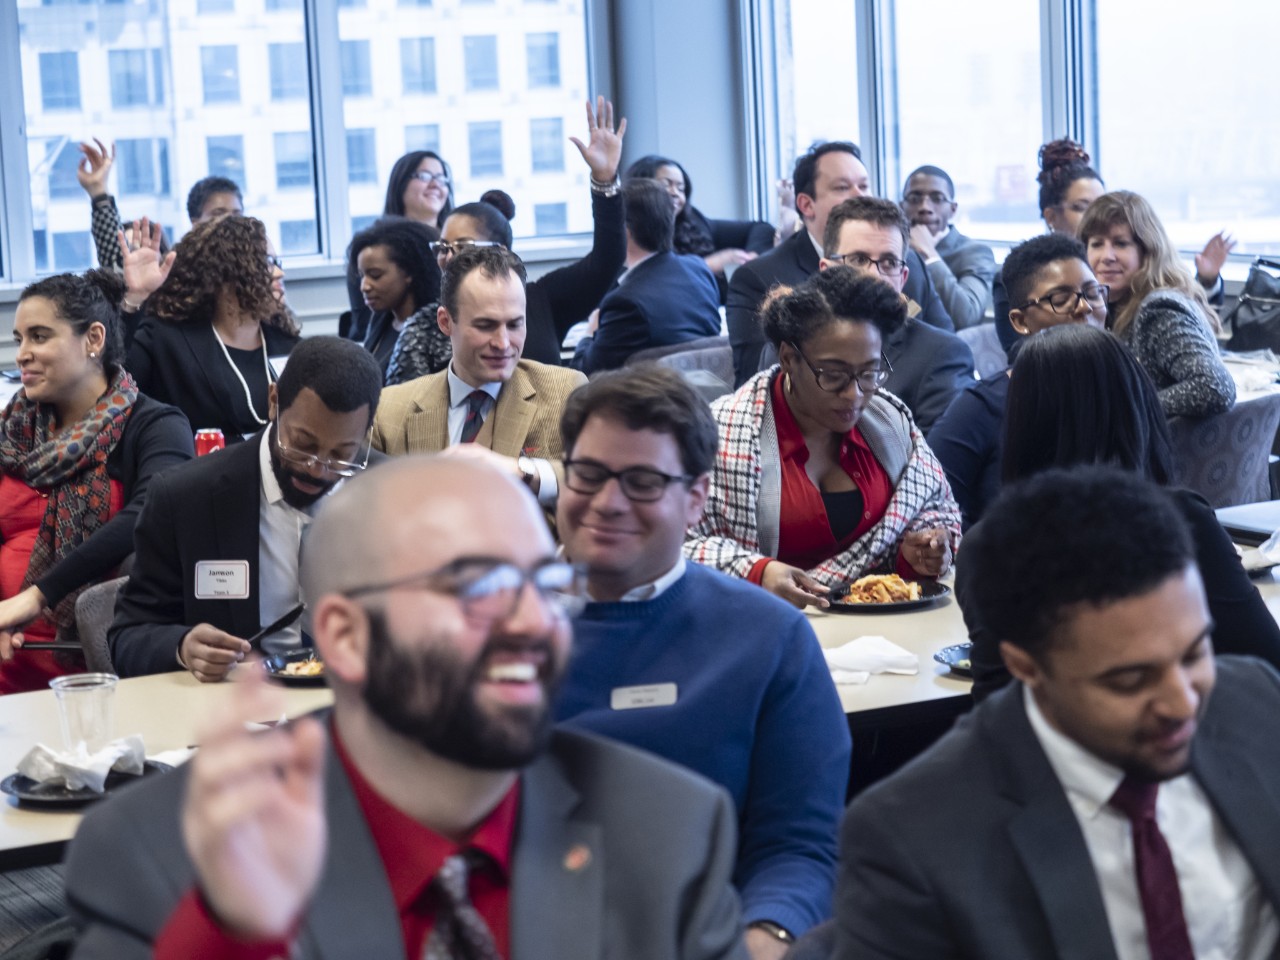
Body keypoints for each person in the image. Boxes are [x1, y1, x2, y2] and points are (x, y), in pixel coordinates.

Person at [67, 455, 749, 960]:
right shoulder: (167, 859)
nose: (533, 624)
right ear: (346, 637)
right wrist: (229, 938)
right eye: (482, 588)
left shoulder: (667, 832)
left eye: (548, 586)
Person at [835, 465, 1280, 959]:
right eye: (1131, 679)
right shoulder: (914, 844)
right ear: (1025, 666)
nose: (1182, 703)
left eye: (1195, 653)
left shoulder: (1254, 703)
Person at [554, 366, 851, 958]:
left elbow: (798, 847)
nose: (607, 503)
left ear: (695, 500)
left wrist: (766, 938)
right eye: (588, 474)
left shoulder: (768, 638)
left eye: (641, 482)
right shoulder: (487, 634)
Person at [958, 322, 1280, 697]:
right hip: (1175, 742)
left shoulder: (983, 546)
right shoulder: (1175, 520)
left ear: (1020, 424)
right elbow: (1266, 662)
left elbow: (996, 695)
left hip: (1025, 750)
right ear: (1135, 407)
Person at [108, 336, 383, 680]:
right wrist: (182, 646)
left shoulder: (391, 493)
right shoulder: (186, 497)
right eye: (302, 444)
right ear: (273, 402)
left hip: (362, 700)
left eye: (342, 454)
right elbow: (127, 636)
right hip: (241, 706)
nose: (318, 469)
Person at [686, 266, 960, 609]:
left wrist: (921, 550)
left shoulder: (889, 420)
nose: (854, 394)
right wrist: (756, 571)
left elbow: (933, 507)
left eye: (870, 372)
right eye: (832, 375)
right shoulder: (722, 433)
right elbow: (674, 544)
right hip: (764, 623)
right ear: (788, 358)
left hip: (882, 627)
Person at [0, 270, 192, 694]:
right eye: (19, 340)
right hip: (8, 646)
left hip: (95, 659)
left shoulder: (153, 424)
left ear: (93, 339)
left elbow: (148, 515)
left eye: (39, 336)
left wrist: (35, 597)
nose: (22, 354)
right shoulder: (12, 428)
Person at [378, 96, 627, 371]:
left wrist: (604, 180)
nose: (447, 257)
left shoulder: (542, 300)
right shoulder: (428, 324)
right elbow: (409, 407)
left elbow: (608, 260)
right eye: (442, 247)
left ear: (501, 251)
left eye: (461, 246)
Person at [726, 141, 954, 388]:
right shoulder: (760, 277)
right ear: (806, 204)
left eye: (864, 185)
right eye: (843, 187)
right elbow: (759, 384)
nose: (860, 195)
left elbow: (941, 343)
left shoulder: (905, 261)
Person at [372, 246, 585, 508]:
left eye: (515, 324)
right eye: (485, 325)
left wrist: (522, 472)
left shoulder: (564, 392)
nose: (503, 343)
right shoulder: (390, 411)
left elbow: (593, 478)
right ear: (445, 321)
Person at [927, 233, 1107, 526]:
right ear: (1020, 321)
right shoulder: (981, 408)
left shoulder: (1126, 390)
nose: (1085, 307)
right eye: (1061, 299)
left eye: (1093, 293)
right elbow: (931, 510)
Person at [122, 215, 301, 441]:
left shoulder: (289, 344)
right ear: (224, 275)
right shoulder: (165, 340)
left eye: (277, 263)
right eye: (266, 262)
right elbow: (114, 387)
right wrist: (135, 299)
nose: (278, 273)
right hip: (196, 472)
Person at [821, 197, 974, 431]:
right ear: (826, 271)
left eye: (889, 263)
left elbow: (934, 465)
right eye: (858, 259)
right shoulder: (790, 345)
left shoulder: (941, 355)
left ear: (902, 279)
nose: (874, 275)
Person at [1080, 190, 1235, 418]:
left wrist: (1127, 413)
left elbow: (1215, 387)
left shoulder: (1158, 310)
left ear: (1148, 251)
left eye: (1121, 244)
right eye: (1096, 244)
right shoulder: (1112, 305)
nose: (1107, 256)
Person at [570, 178, 721, 374]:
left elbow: (584, 376)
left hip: (651, 402)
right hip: (705, 397)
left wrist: (590, 331)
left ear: (624, 231)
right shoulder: (699, 270)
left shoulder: (625, 303)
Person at [77, 136, 242, 275]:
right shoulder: (181, 273)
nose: (230, 221)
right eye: (218, 213)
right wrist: (99, 193)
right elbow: (117, 265)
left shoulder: (253, 265)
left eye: (237, 214)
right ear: (195, 222)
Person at [625, 154, 775, 303]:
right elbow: (651, 281)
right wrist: (707, 265)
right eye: (666, 185)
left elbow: (761, 228)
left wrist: (753, 256)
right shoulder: (632, 233)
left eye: (681, 188)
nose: (675, 193)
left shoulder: (694, 223)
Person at [344, 147, 454, 341]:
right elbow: (364, 323)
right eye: (424, 176)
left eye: (441, 178)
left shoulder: (456, 245)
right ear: (400, 184)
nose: (435, 184)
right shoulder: (371, 248)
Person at [900, 164, 996, 330]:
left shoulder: (975, 252)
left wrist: (929, 254)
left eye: (937, 198)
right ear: (902, 206)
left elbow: (967, 317)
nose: (924, 207)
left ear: (953, 209)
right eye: (915, 199)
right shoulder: (893, 251)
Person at [345, 217, 441, 379]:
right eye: (362, 276)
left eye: (375, 275)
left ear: (409, 272)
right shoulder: (381, 319)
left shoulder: (433, 330)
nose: (364, 286)